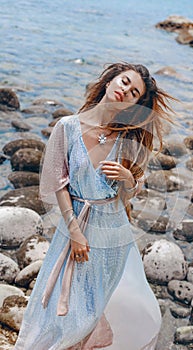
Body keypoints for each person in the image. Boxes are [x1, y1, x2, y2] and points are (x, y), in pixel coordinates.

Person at [14, 62, 175, 350]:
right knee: (60, 307)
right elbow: (58, 184)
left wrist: (128, 178)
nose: (126, 91)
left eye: (134, 92)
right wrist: (75, 232)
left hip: (112, 236)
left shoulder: (130, 138)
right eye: (125, 82)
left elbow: (127, 196)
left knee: (96, 307)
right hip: (75, 228)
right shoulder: (66, 127)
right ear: (111, 80)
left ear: (136, 103)